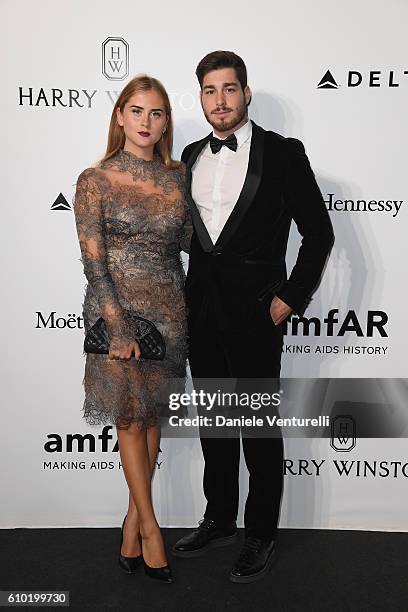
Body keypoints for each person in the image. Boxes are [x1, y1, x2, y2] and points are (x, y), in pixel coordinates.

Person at [172, 51, 334, 583]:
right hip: (201, 312)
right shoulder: (191, 155)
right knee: (217, 426)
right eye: (209, 90)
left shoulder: (283, 153)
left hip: (258, 314)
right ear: (201, 97)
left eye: (229, 89)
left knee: (259, 429)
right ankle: (219, 517)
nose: (220, 99)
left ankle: (260, 530)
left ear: (246, 93)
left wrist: (291, 296)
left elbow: (319, 234)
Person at [73, 74, 191, 584]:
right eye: (137, 111)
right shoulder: (94, 180)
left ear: (166, 122)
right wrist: (118, 324)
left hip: (169, 308)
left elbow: (192, 241)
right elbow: (93, 262)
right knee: (128, 419)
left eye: (157, 113)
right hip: (114, 311)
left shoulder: (178, 176)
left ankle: (129, 524)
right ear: (120, 115)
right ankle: (151, 531)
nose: (147, 122)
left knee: (151, 419)